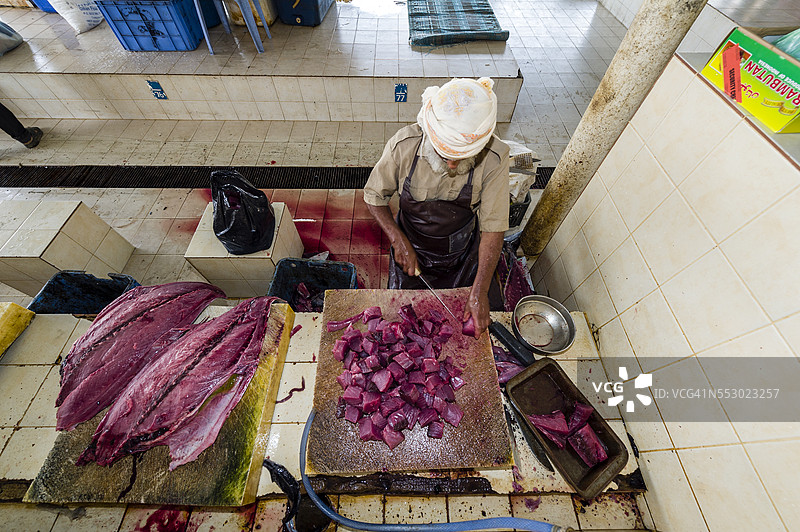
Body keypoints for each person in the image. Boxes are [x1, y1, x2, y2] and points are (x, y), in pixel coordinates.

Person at [363, 77, 510, 338]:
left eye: (462, 158)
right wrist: (398, 240)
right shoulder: (403, 147)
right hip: (411, 247)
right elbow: (374, 196)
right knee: (404, 325)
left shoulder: (495, 159)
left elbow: (493, 229)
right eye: (445, 155)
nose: (452, 166)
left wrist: (480, 291)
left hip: (462, 255)